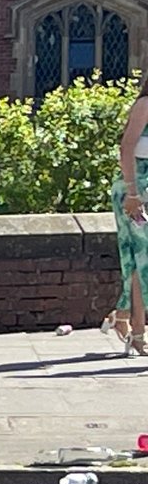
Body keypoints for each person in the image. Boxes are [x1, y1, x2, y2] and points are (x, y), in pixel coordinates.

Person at [110, 73, 148, 356]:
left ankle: (122, 313)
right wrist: (133, 193)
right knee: (141, 258)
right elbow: (126, 147)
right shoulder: (145, 105)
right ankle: (138, 332)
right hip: (135, 187)